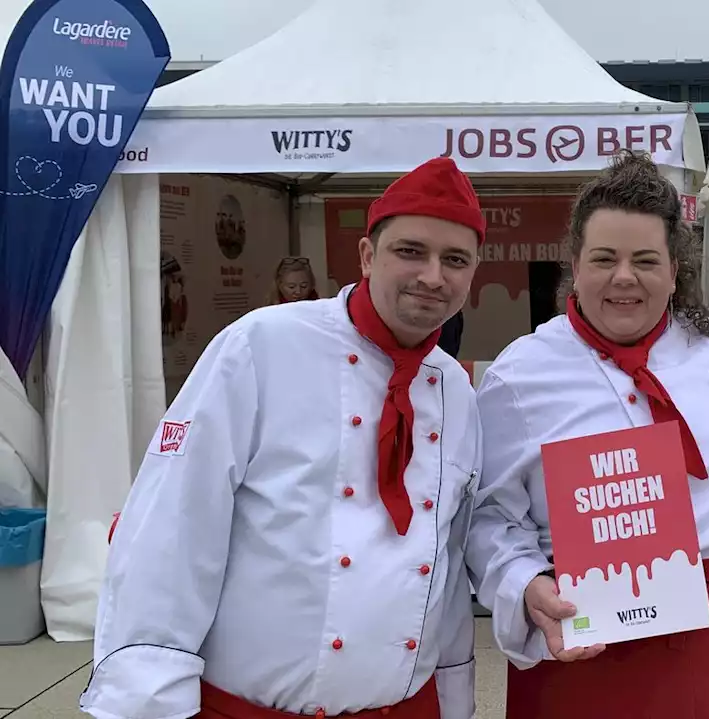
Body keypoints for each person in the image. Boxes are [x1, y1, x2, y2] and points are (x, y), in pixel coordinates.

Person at [82, 157, 488, 719]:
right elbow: (171, 529)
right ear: (368, 256)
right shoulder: (259, 347)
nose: (433, 276)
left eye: (455, 260)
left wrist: (453, 700)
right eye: (411, 251)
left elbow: (443, 568)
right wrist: (148, 697)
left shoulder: (456, 392)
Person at [465, 150, 709, 719]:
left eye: (645, 260)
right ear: (575, 263)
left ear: (673, 270)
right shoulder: (520, 377)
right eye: (604, 258)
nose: (624, 277)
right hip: (591, 637)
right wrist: (524, 584)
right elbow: (486, 515)